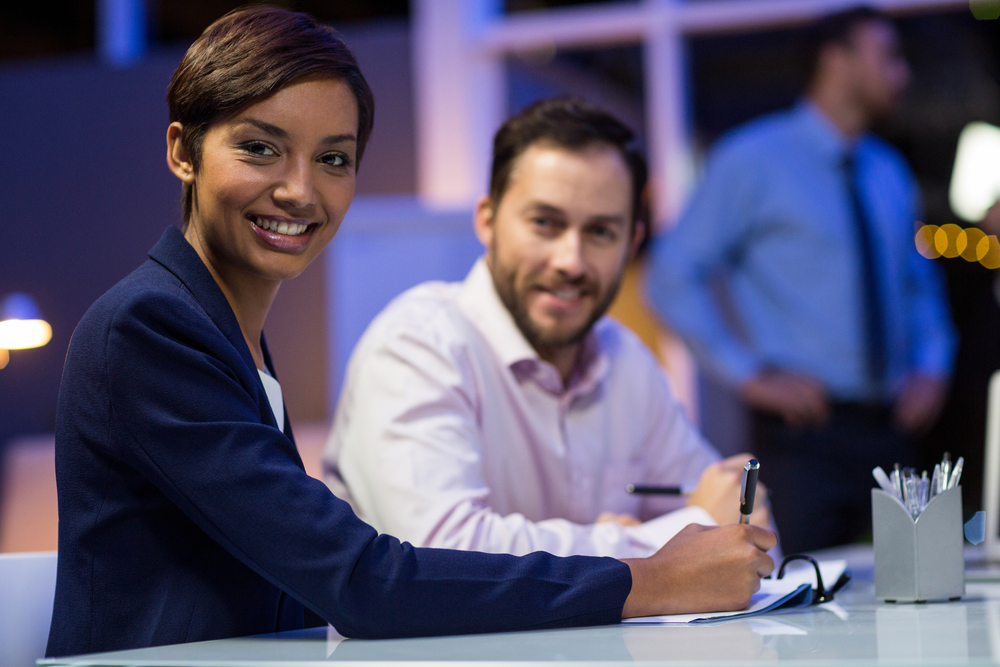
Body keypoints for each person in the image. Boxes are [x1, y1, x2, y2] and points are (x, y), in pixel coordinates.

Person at [46, 6, 776, 658]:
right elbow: (365, 580)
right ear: (183, 151)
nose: (300, 189)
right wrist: (651, 575)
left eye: (332, 159)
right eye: (260, 148)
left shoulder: (224, 330)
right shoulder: (151, 327)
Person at [324, 97, 770, 559]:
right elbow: (443, 555)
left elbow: (746, 528)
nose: (570, 262)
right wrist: (663, 535)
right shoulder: (418, 344)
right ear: (488, 220)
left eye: (600, 232)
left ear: (631, 243)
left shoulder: (627, 360)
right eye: (544, 223)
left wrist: (698, 528)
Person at [647, 7, 955, 554]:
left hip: (892, 425)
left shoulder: (887, 170)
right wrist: (748, 374)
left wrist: (931, 366)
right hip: (802, 432)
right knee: (798, 603)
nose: (901, 75)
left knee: (920, 586)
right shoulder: (752, 159)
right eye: (888, 57)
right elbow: (672, 275)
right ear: (837, 61)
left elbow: (918, 288)